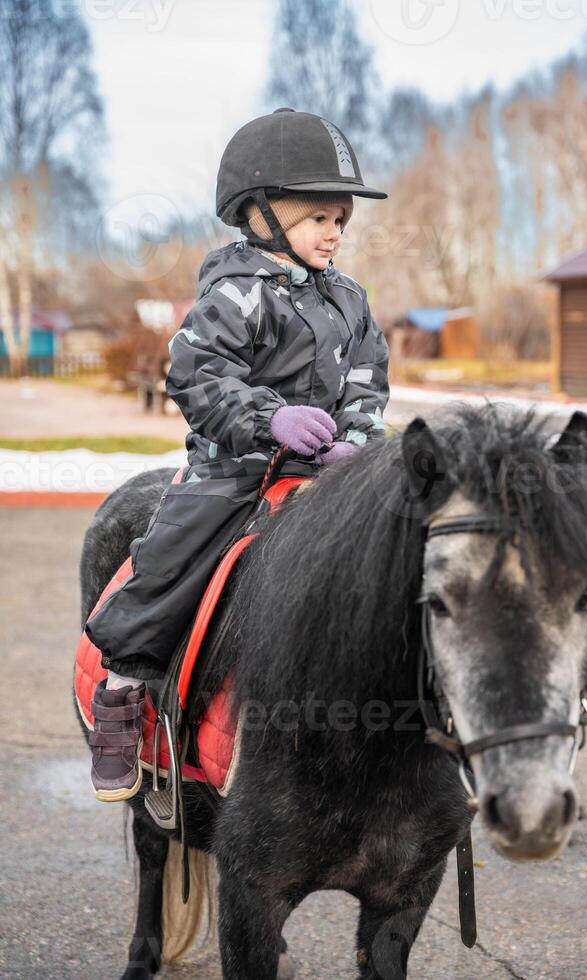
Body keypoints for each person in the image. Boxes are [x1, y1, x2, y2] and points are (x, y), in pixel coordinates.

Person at [85, 107, 390, 801]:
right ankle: (123, 690)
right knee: (172, 555)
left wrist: (358, 442)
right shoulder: (235, 294)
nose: (335, 231)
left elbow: (370, 380)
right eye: (319, 217)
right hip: (235, 471)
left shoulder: (351, 299)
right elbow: (197, 377)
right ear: (260, 214)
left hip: (327, 475)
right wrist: (271, 418)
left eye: (341, 218)